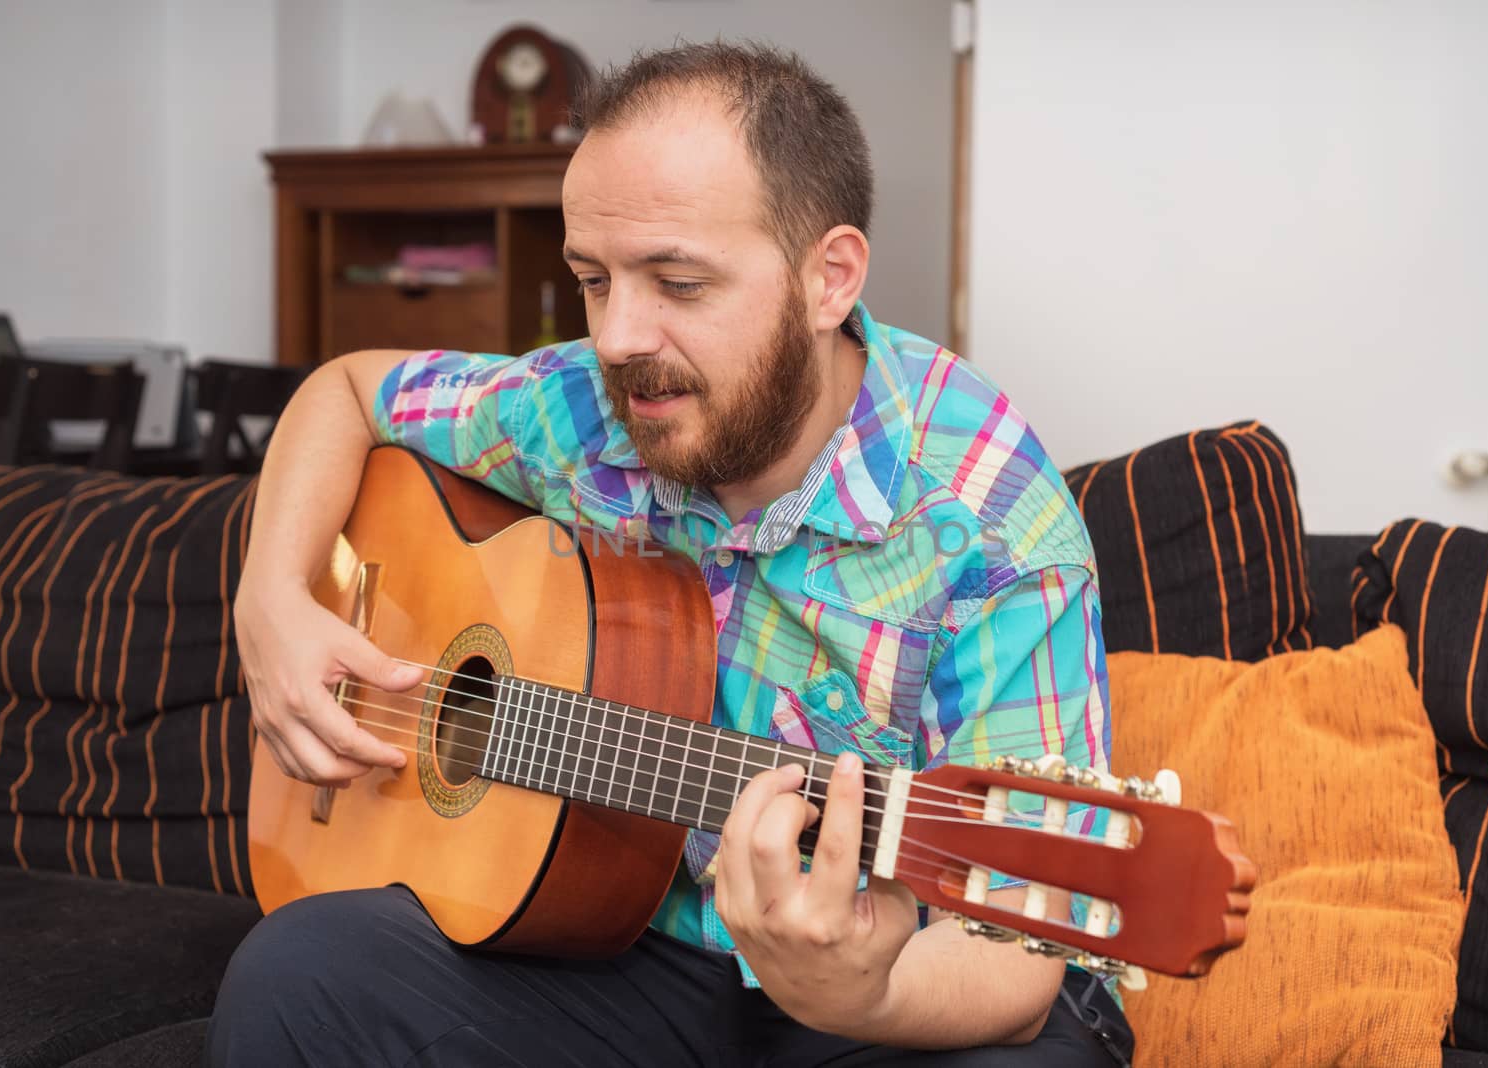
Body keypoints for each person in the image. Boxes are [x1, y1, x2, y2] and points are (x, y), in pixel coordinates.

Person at [208, 41, 1133, 1068]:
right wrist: (272, 598)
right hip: (627, 950)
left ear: (828, 278)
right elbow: (342, 392)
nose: (614, 336)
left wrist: (849, 992)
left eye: (676, 282)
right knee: (298, 974)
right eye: (592, 280)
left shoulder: (991, 519)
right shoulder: (581, 407)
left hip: (898, 982)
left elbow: (1010, 963)